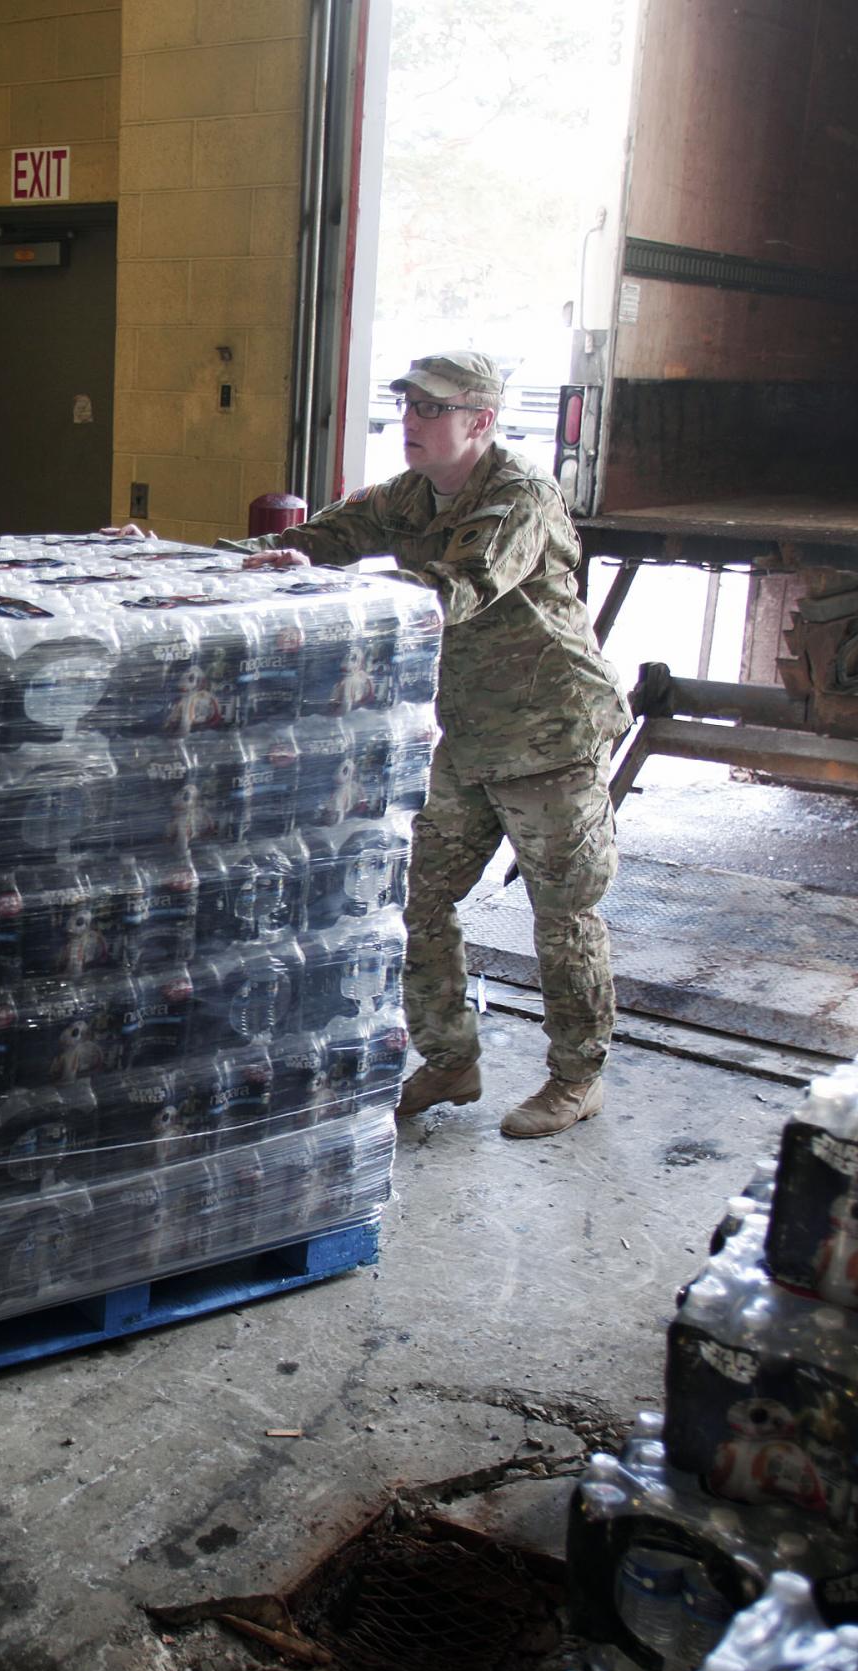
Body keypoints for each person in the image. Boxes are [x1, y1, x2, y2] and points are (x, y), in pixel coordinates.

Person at [229, 352, 631, 1138]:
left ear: (480, 421)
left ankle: (577, 1077)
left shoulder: (519, 495)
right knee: (413, 892)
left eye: (432, 410)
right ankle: (450, 1059)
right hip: (471, 737)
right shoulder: (412, 495)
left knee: (564, 913)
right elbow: (322, 537)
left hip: (552, 733)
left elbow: (460, 590)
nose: (411, 423)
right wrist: (216, 564)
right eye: (407, 406)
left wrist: (343, 596)